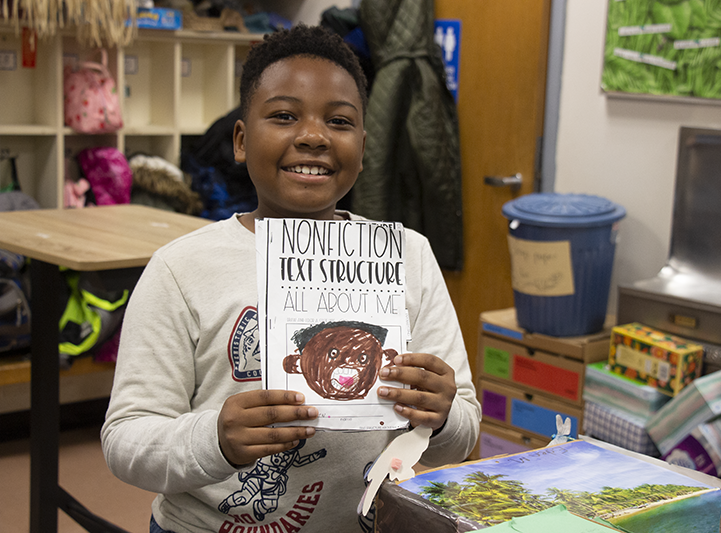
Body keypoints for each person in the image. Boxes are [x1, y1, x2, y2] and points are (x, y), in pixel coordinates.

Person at [101, 24, 480, 533]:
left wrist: (442, 412)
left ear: (363, 149)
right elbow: (126, 439)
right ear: (240, 140)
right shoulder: (181, 269)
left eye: (339, 122)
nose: (313, 136)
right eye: (283, 116)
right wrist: (214, 438)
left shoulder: (409, 256)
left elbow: (462, 434)